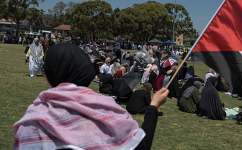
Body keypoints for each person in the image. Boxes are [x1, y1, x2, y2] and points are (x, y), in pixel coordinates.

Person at [14, 44, 169, 150]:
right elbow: (139, 146)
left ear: (49, 76)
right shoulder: (108, 111)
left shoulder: (32, 122)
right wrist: (153, 107)